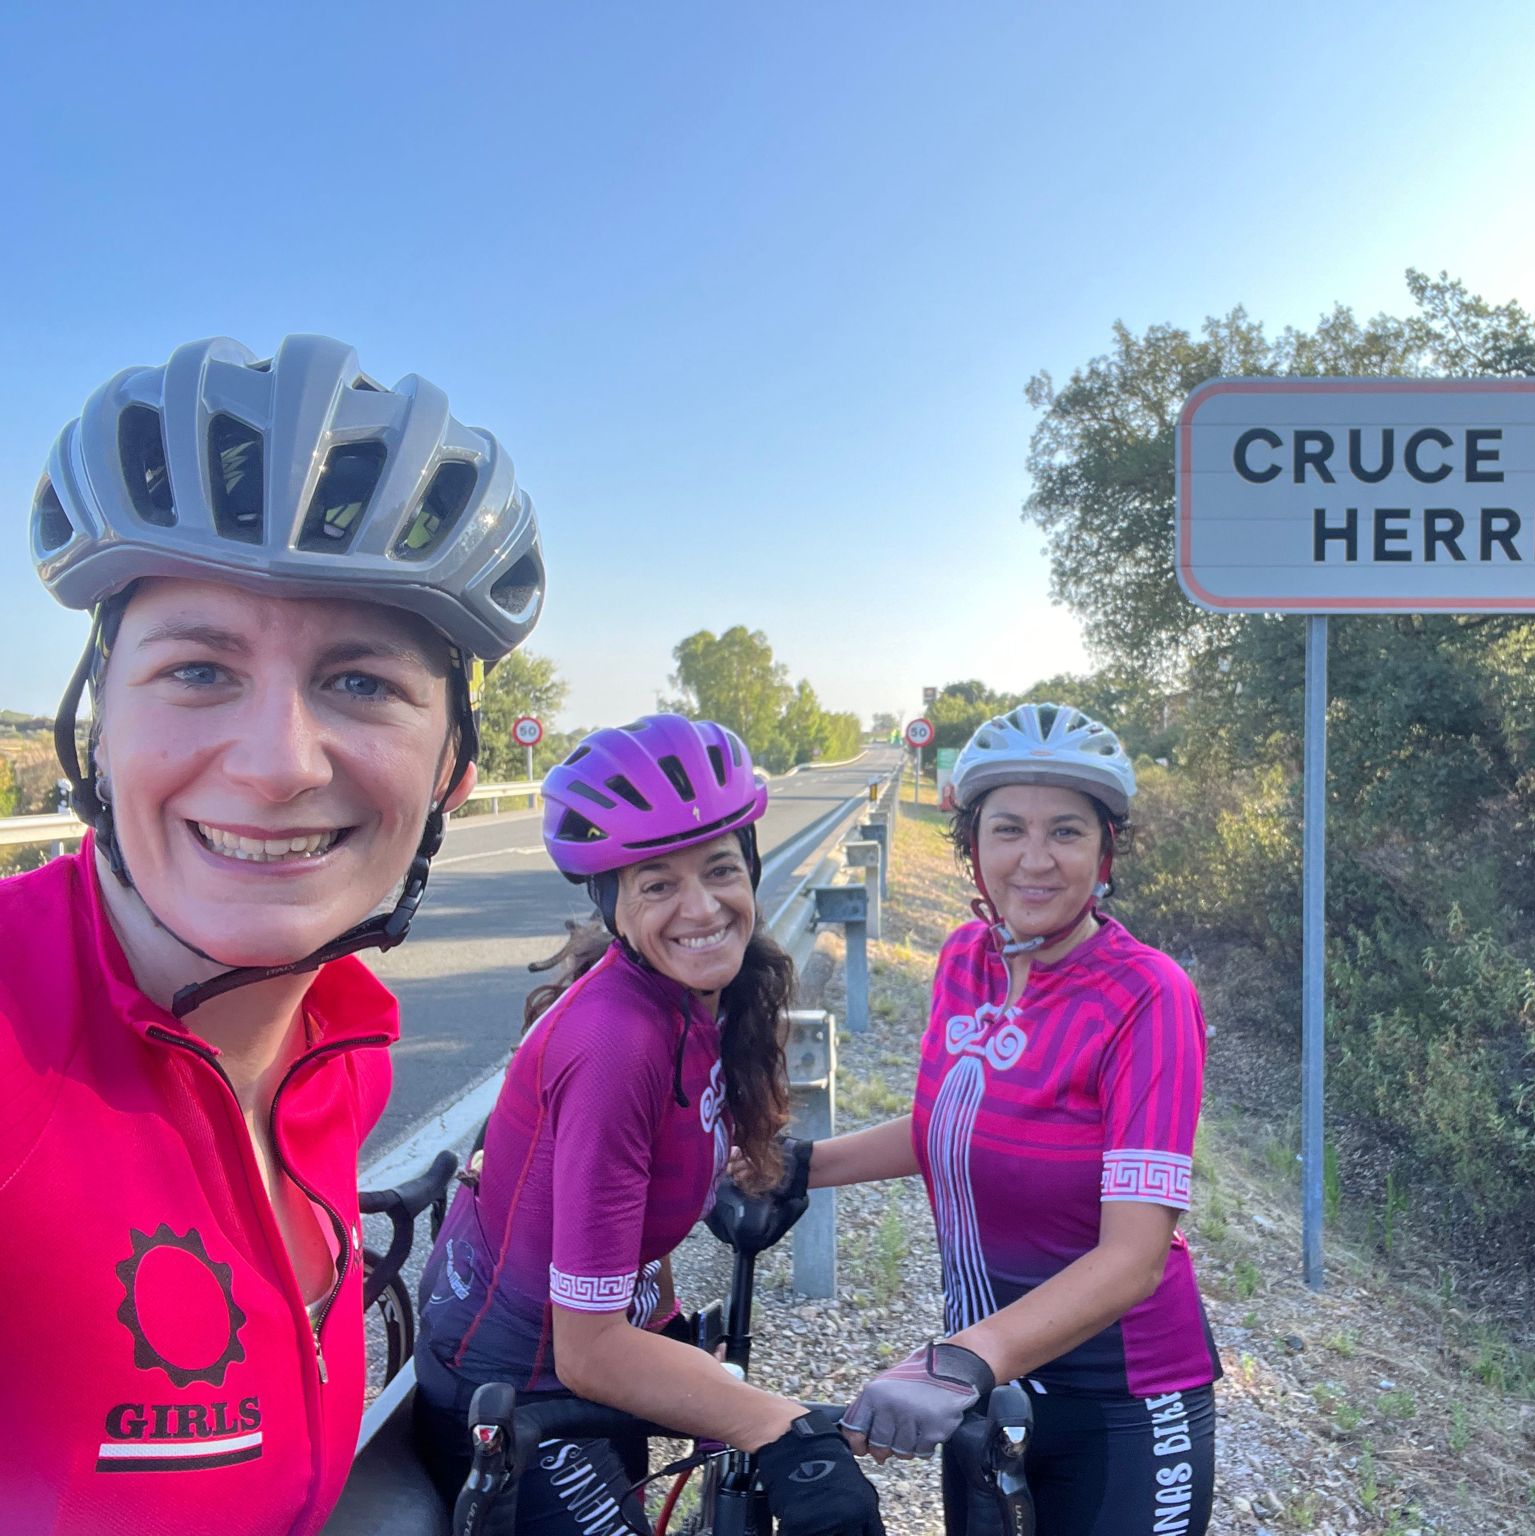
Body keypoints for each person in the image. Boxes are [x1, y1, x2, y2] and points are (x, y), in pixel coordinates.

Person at [0, 334, 545, 1534]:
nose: (277, 763)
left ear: (453, 766)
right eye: (198, 669)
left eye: (360, 682)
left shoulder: (337, 1042)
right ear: (93, 730)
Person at [411, 714, 882, 1536]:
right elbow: (588, 1352)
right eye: (657, 883)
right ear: (616, 906)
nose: (700, 908)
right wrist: (776, 1424)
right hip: (520, 1381)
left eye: (720, 870)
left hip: (576, 1359)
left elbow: (627, 1215)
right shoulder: (617, 1044)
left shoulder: (697, 1000)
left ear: (752, 871)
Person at [800, 702, 1221, 1536]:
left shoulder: (1146, 995)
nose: (1035, 860)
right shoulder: (965, 960)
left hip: (1125, 1404)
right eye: (1007, 830)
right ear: (973, 846)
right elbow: (946, 1131)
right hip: (989, 1382)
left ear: (1106, 850)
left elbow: (1134, 1258)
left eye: (1065, 831)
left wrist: (955, 1362)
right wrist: (794, 1167)